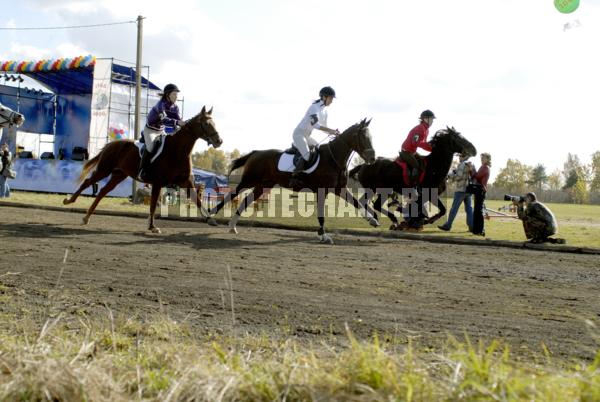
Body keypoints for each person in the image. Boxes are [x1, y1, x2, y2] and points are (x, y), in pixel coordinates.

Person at [138, 83, 185, 181]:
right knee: (151, 148)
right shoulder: (161, 105)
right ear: (168, 95)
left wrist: (182, 125)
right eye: (174, 94)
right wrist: (177, 123)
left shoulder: (175, 107)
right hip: (150, 130)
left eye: (177, 95)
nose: (176, 97)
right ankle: (142, 171)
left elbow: (178, 120)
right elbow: (164, 120)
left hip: (161, 130)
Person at [291, 86, 340, 179]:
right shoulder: (314, 107)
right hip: (299, 134)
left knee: (319, 150)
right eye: (330, 98)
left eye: (332, 99)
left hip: (307, 136)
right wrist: (331, 131)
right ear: (324, 97)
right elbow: (316, 125)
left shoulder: (325, 111)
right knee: (307, 155)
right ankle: (295, 176)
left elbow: (324, 127)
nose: (332, 101)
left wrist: (334, 133)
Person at [438, 153, 473, 232]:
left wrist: (451, 177)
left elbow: (458, 177)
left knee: (454, 209)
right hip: (469, 190)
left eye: (460, 156)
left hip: (460, 190)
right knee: (469, 209)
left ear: (463, 157)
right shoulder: (471, 164)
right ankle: (472, 227)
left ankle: (448, 225)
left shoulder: (462, 164)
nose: (459, 158)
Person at [399, 110, 435, 183]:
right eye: (430, 119)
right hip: (406, 151)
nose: (432, 121)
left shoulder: (426, 130)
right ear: (424, 119)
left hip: (413, 151)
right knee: (416, 166)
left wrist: (432, 149)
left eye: (432, 119)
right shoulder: (419, 128)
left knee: (423, 163)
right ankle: (412, 184)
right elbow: (415, 142)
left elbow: (423, 143)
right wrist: (431, 148)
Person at [470, 152, 491, 236]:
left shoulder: (485, 167)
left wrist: (472, 169)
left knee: (478, 211)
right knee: (477, 210)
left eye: (483, 158)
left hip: (480, 190)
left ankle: (480, 230)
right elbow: (477, 176)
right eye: (481, 158)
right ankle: (477, 230)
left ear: (488, 159)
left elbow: (477, 176)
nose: (481, 159)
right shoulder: (484, 167)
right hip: (480, 190)